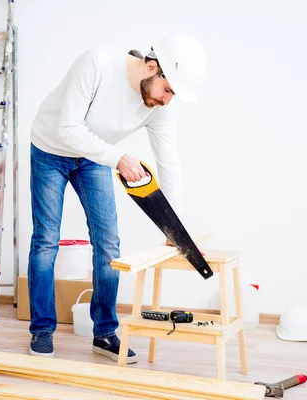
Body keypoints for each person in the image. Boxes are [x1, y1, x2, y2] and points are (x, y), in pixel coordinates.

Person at [26, 33, 207, 363]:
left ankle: (105, 333)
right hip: (50, 148)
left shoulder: (159, 107)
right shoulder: (96, 63)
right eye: (168, 90)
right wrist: (119, 158)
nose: (168, 100)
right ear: (152, 67)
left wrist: (175, 231)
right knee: (46, 240)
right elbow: (68, 128)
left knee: (109, 243)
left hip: (95, 156)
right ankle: (42, 329)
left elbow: (169, 163)